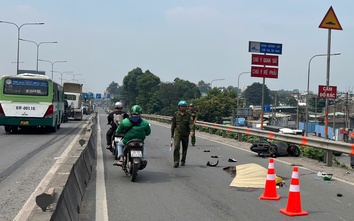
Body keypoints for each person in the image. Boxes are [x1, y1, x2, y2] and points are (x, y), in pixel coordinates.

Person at [171, 100, 194, 168]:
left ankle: (183, 160)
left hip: (185, 134)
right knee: (176, 147)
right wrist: (172, 133)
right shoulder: (176, 114)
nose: (183, 108)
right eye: (182, 106)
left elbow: (191, 123)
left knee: (185, 148)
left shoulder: (188, 115)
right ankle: (176, 161)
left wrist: (191, 130)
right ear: (179, 107)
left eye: (184, 106)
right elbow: (173, 124)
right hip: (177, 133)